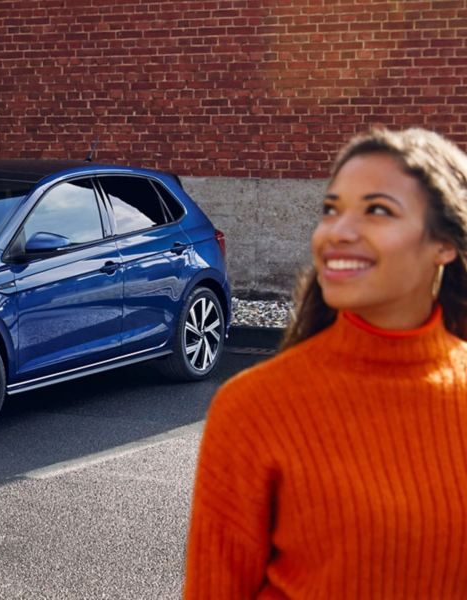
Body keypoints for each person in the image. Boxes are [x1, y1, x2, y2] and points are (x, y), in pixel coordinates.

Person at [183, 127, 467, 598]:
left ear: (445, 243)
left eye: (377, 210)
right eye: (331, 209)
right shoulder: (253, 407)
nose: (338, 231)